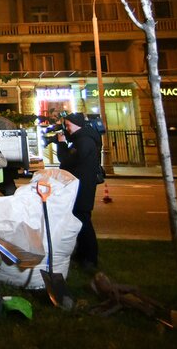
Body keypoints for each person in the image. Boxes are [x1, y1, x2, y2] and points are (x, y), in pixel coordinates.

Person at [56, 112, 102, 271]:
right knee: (79, 220)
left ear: (76, 125)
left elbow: (66, 161)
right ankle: (82, 253)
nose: (67, 128)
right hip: (81, 186)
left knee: (83, 222)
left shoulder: (83, 141)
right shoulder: (83, 139)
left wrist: (61, 144)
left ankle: (90, 258)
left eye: (68, 125)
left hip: (82, 188)